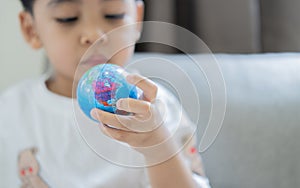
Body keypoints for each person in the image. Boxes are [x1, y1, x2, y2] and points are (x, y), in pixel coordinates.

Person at [0, 0, 211, 187]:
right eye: (68, 18)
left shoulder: (157, 109)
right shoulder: (10, 112)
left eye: (113, 15)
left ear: (137, 20)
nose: (95, 35)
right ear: (31, 29)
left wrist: (157, 148)